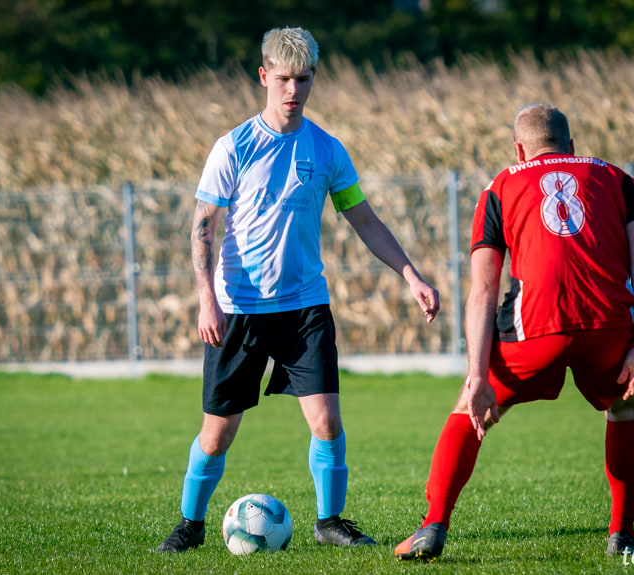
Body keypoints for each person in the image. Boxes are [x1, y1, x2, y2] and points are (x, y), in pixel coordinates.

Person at [156, 27, 440, 553]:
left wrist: (412, 275)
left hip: (305, 307)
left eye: (303, 79)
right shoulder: (233, 146)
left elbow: (365, 220)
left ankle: (330, 521)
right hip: (239, 309)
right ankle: (190, 526)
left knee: (327, 421)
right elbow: (203, 228)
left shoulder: (327, 150)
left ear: (313, 79)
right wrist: (206, 298)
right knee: (217, 434)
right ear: (264, 76)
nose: (293, 89)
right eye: (283, 78)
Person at [394, 102, 634, 561]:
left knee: (471, 409)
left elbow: (483, 288)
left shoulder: (501, 185)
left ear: (519, 149)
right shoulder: (618, 179)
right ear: (571, 145)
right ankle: (623, 534)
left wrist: (477, 375)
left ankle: (432, 525)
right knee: (624, 407)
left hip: (534, 328)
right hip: (608, 323)